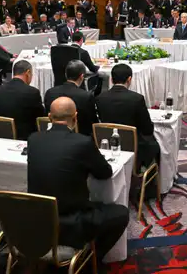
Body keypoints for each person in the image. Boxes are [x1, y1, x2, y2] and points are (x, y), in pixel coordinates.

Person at [27, 96, 129, 262]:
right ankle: (88, 260)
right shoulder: (83, 142)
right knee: (121, 213)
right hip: (71, 223)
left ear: (49, 117)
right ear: (75, 117)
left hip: (38, 219)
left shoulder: (33, 139)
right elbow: (104, 173)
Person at [96, 64, 159, 167]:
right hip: (134, 148)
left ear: (111, 79)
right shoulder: (137, 99)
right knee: (156, 145)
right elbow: (147, 129)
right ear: (129, 79)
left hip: (108, 145)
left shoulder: (100, 98)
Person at [0, 60, 45, 140]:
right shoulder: (32, 92)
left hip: (2, 137)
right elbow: (40, 116)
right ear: (28, 73)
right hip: (26, 137)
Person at [44, 60, 98, 136]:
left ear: (66, 75)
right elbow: (92, 122)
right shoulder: (86, 96)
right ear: (82, 76)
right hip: (80, 137)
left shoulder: (50, 93)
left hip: (52, 135)